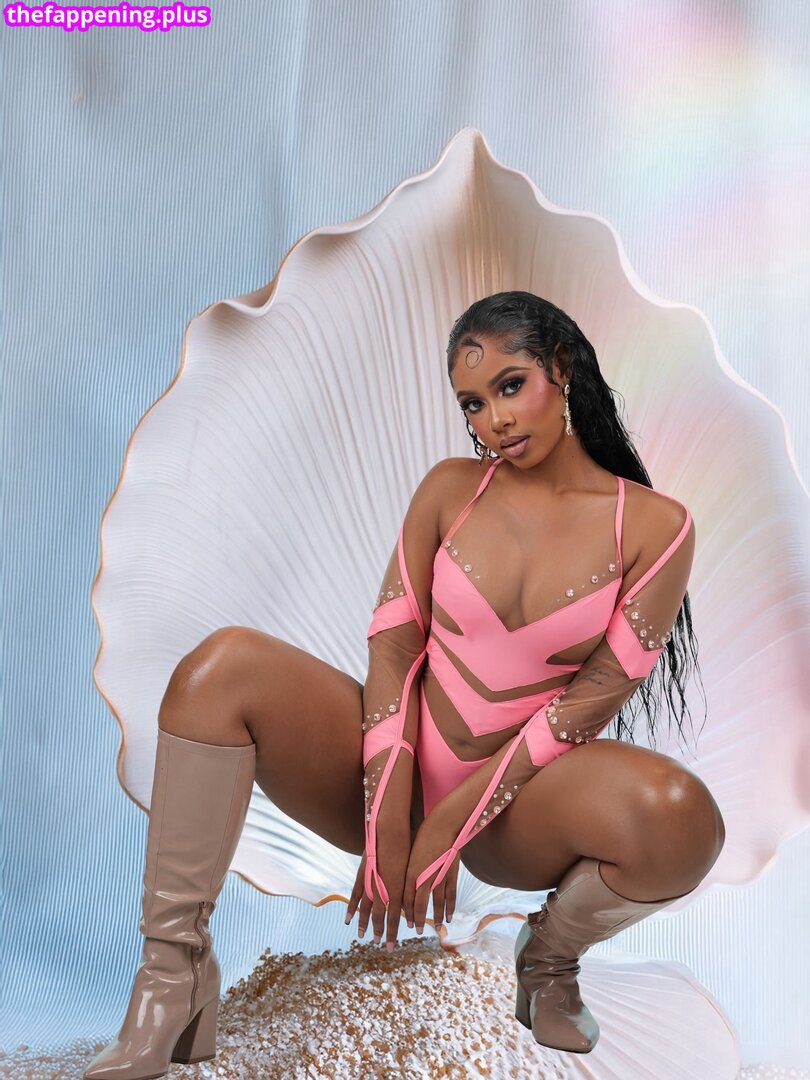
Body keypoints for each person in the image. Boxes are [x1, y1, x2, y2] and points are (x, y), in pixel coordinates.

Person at [84, 291, 725, 1077]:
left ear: (562, 368)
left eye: (511, 385)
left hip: (525, 806)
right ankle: (172, 978)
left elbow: (581, 709)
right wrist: (388, 805)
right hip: (389, 772)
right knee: (220, 670)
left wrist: (454, 817)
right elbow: (392, 654)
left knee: (683, 817)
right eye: (473, 403)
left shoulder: (657, 528)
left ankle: (549, 961)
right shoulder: (450, 489)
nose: (494, 419)